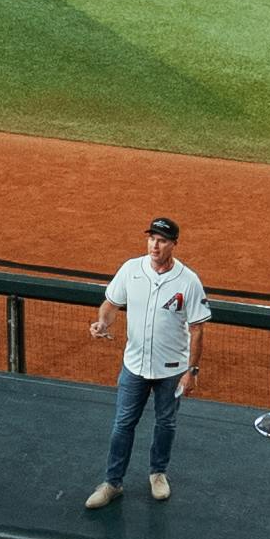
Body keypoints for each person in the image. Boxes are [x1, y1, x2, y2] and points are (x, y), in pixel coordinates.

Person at [84, 215, 209, 509]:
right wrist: (103, 322)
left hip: (171, 370)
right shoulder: (131, 270)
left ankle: (158, 473)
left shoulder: (188, 281)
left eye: (162, 240)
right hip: (134, 366)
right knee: (123, 424)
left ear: (173, 245)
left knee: (166, 423)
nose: (155, 244)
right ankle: (112, 483)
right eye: (152, 238)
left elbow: (198, 329)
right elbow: (111, 304)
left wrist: (192, 371)